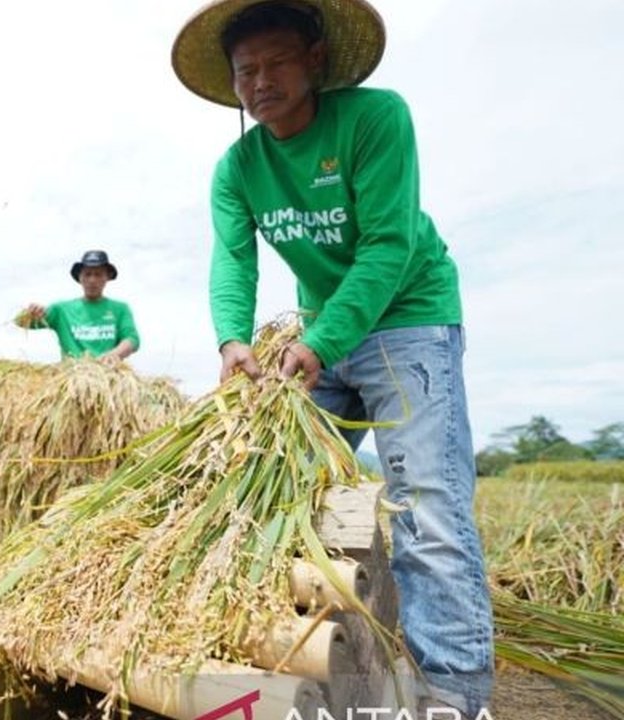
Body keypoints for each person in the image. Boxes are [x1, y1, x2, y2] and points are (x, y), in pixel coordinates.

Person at [171, 0, 492, 715]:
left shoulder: (376, 118)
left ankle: (455, 696)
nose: (260, 80)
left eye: (277, 60)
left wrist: (319, 342)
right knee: (271, 492)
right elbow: (232, 260)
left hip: (408, 319)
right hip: (320, 337)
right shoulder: (239, 165)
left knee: (426, 505)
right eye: (245, 70)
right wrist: (233, 340)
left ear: (315, 59)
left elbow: (388, 245)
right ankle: (313, 658)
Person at [16, 250, 139, 362]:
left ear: (107, 277)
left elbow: (132, 339)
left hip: (108, 377)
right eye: (87, 274)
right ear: (79, 277)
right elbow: (20, 321)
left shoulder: (120, 309)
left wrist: (114, 354)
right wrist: (32, 313)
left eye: (98, 274)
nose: (92, 280)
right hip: (72, 376)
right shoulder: (61, 310)